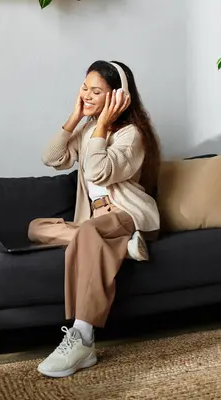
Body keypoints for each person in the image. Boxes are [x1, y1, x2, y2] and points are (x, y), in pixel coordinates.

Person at [28, 60, 161, 378]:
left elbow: (97, 170)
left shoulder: (131, 136)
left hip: (126, 214)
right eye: (84, 88)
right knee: (35, 227)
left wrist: (103, 124)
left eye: (96, 90)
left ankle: (82, 338)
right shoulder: (87, 130)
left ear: (118, 97)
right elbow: (51, 157)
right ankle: (121, 246)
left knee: (89, 234)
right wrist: (75, 118)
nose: (87, 94)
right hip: (95, 222)